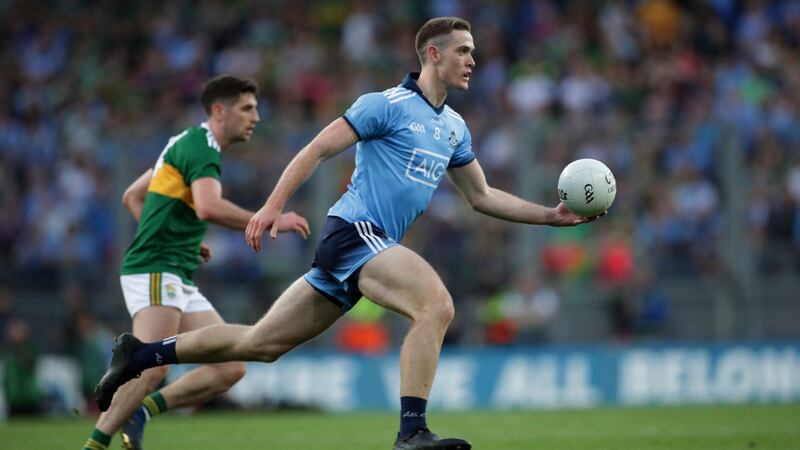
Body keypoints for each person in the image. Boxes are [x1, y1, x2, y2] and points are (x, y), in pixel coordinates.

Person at [94, 17, 601, 450]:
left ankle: (139, 354)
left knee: (260, 344)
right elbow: (317, 148)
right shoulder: (385, 104)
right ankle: (412, 431)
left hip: (365, 246)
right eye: (463, 51)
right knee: (436, 305)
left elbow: (483, 196)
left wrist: (550, 216)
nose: (473, 60)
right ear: (433, 53)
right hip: (355, 231)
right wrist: (272, 206)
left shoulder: (455, 128)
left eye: (473, 52)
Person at [83, 75, 310, 450]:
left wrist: (181, 236)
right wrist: (268, 217)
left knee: (229, 367)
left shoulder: (183, 142)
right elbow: (208, 206)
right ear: (219, 111)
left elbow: (132, 196)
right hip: (155, 267)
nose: (256, 117)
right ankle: (94, 445)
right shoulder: (202, 146)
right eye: (247, 108)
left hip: (174, 268)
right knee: (150, 364)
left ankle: (140, 412)